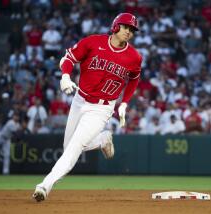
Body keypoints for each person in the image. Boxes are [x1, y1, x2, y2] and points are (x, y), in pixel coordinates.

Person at [33, 12, 142, 202]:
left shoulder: (134, 56)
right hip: (79, 100)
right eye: (126, 27)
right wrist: (65, 76)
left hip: (102, 109)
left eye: (132, 30)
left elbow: (133, 79)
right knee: (68, 146)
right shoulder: (92, 42)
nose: (129, 32)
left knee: (73, 148)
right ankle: (102, 139)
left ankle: (44, 186)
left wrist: (124, 103)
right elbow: (68, 59)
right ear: (116, 26)